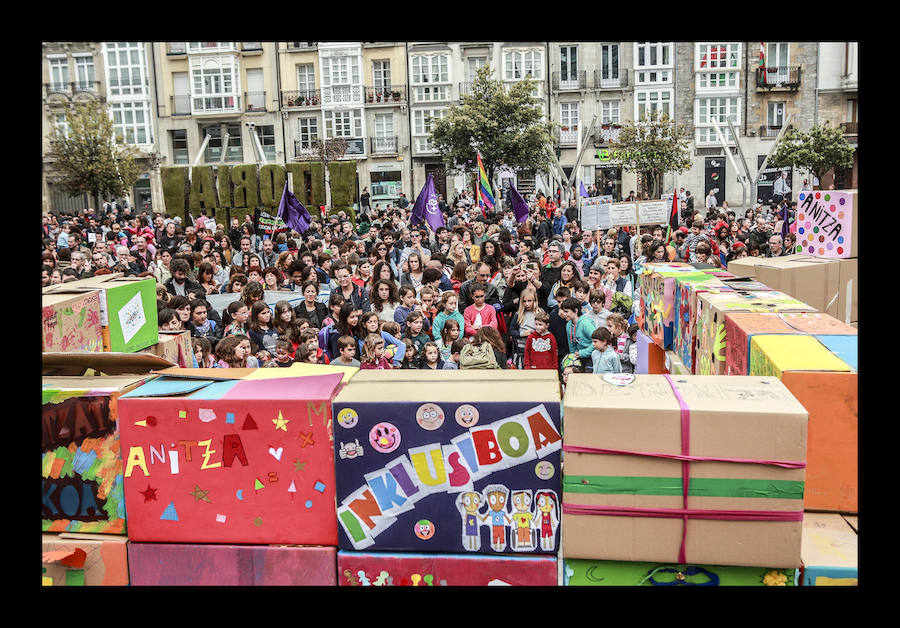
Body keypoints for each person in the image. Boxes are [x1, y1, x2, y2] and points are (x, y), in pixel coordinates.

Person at [559, 296, 597, 373]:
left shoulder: (585, 323)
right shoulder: (568, 325)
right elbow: (572, 344)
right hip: (579, 356)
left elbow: (597, 341)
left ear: (576, 311)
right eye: (563, 311)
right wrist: (573, 356)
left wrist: (583, 353)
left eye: (566, 311)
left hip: (591, 356)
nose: (564, 314)